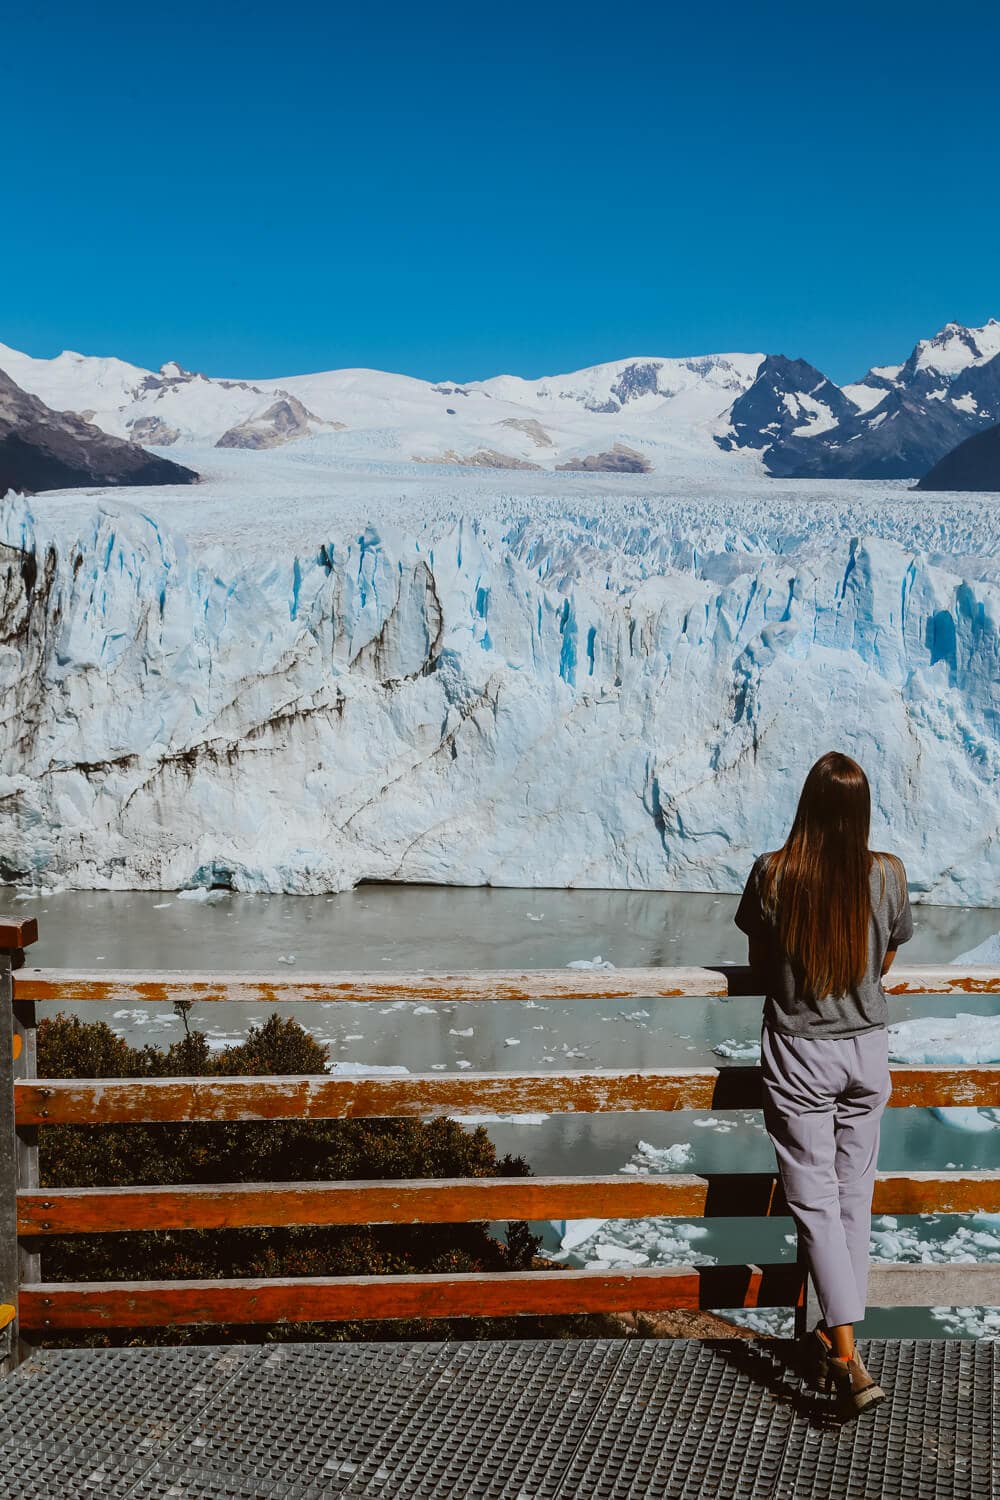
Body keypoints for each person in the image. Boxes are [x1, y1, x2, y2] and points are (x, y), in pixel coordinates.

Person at [734, 750, 913, 1415]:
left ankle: (847, 1355)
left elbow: (760, 958)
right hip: (866, 1052)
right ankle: (836, 1347)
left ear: (807, 804)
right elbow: (885, 957)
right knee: (851, 1200)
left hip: (801, 1054)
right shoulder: (888, 875)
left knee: (814, 1203)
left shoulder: (774, 875)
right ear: (860, 811)